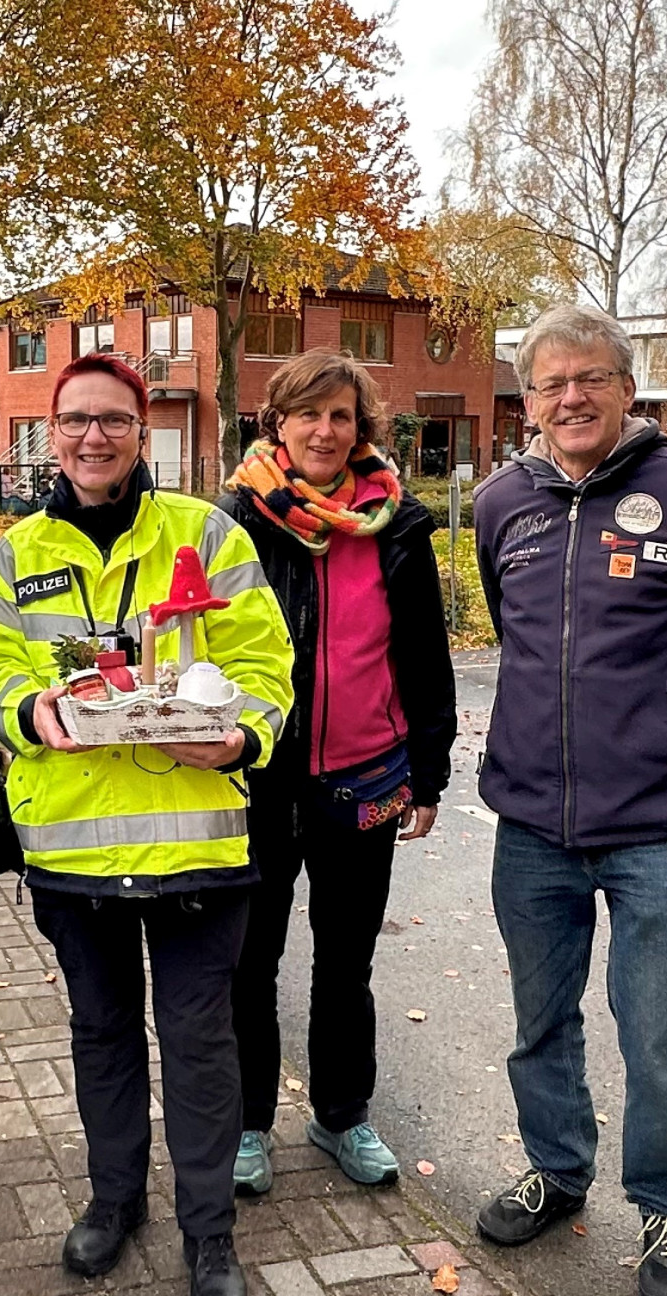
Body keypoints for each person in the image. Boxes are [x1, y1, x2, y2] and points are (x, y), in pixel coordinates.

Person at [0, 353, 295, 1296]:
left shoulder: (210, 536)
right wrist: (32, 713)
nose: (94, 437)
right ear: (49, 434)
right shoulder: (10, 558)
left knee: (199, 1043)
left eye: (113, 420)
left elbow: (267, 665)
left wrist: (243, 734)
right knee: (101, 1035)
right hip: (74, 854)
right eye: (75, 422)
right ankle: (115, 1200)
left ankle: (211, 1235)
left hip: (199, 846)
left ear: (141, 431)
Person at [472, 303, 667, 1296]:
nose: (570, 397)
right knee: (538, 1019)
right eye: (549, 384)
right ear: (530, 402)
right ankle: (557, 1170)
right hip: (531, 825)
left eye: (589, 377)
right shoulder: (501, 502)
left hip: (654, 827)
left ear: (627, 389)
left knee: (657, 1031)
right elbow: (515, 631)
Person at [221, 349, 455, 1194]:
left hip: (366, 776)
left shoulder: (395, 524)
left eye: (341, 416)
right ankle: (247, 1124)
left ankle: (341, 1115)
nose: (325, 430)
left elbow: (424, 656)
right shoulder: (237, 519)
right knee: (250, 959)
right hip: (256, 779)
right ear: (276, 422)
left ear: (362, 430)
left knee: (345, 959)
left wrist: (428, 772)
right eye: (308, 413)